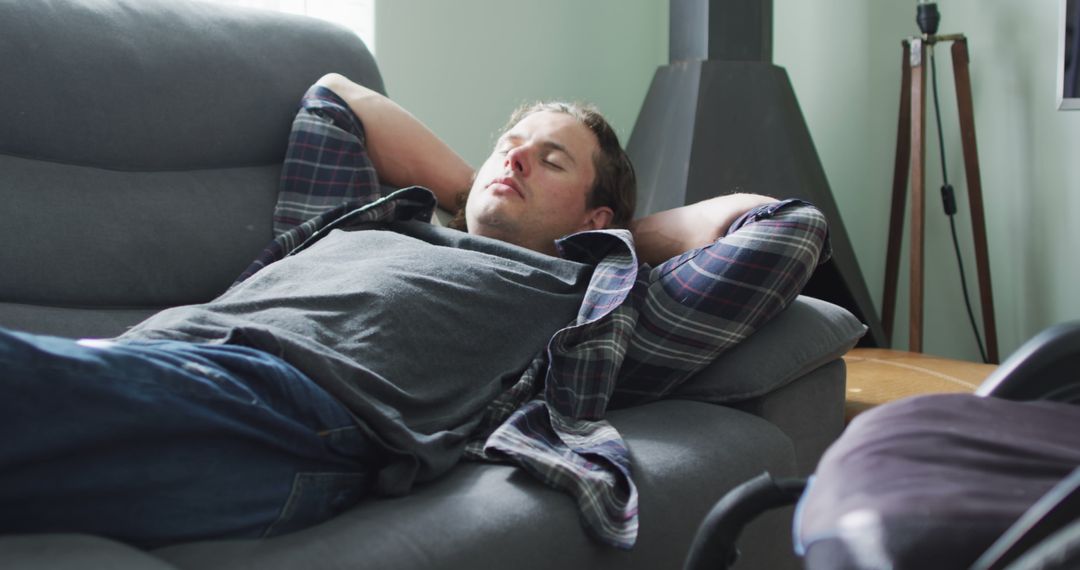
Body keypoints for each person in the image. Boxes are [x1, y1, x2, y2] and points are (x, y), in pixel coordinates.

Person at [0, 73, 830, 550]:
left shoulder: (589, 299)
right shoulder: (373, 218)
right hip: (159, 360)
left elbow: (788, 230)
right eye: (509, 146)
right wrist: (481, 188)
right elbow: (334, 96)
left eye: (551, 161)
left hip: (292, 409)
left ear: (595, 216)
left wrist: (616, 235)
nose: (515, 161)